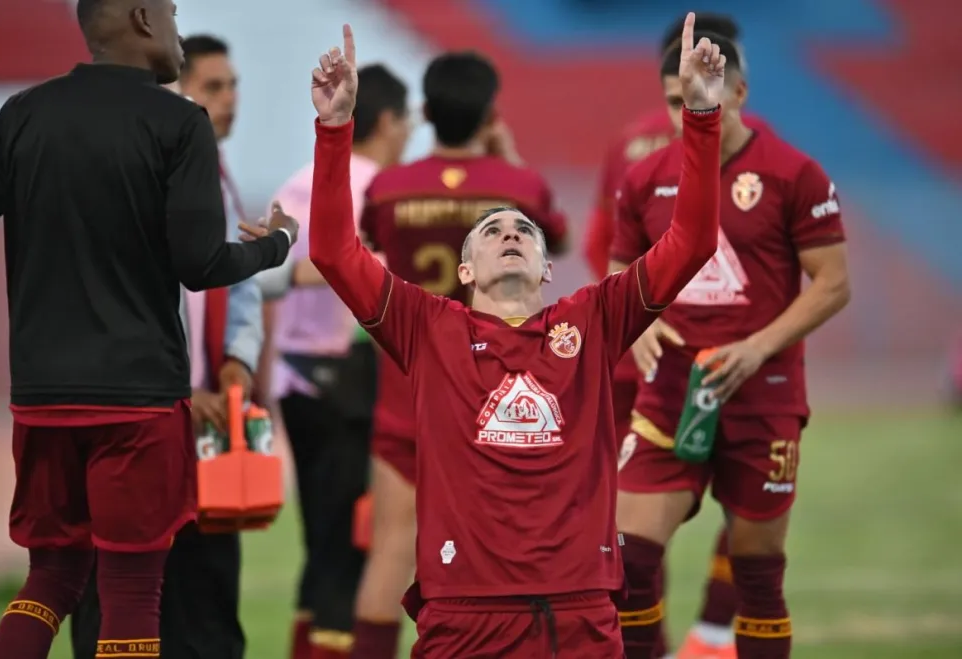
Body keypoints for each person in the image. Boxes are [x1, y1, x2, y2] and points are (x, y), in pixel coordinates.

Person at [245, 17, 723, 656]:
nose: (509, 232)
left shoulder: (593, 319)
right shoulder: (427, 327)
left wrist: (700, 117)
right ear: (465, 270)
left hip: (579, 610)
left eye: (522, 230)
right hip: (464, 617)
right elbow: (332, 250)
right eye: (492, 231)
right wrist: (335, 129)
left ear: (547, 265)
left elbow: (690, 243)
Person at [0, 0, 298, 657]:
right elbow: (201, 263)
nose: (178, 31)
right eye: (173, 16)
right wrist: (275, 245)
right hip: (138, 400)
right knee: (130, 590)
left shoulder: (22, 114)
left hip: (41, 399)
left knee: (50, 578)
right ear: (143, 18)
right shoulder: (180, 123)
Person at [609, 30, 850, 659]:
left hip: (761, 397)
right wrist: (636, 320)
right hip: (667, 396)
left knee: (758, 574)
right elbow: (618, 271)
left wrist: (757, 348)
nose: (686, 107)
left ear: (739, 91)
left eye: (704, 92)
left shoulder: (795, 173)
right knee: (627, 565)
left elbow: (833, 285)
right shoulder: (644, 179)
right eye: (672, 99)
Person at [346, 51, 569, 659]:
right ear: (491, 113)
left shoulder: (388, 187)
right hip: (494, 388)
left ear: (424, 113)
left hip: (409, 385)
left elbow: (368, 246)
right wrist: (510, 158)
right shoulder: (519, 188)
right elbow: (560, 239)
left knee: (392, 547)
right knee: (510, 548)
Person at [69, 33, 264, 659]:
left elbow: (239, 286)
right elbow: (120, 300)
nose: (229, 100)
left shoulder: (221, 179)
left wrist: (237, 359)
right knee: (120, 596)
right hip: (139, 417)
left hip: (200, 432)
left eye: (233, 86)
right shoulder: (137, 174)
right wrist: (183, 390)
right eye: (213, 87)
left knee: (205, 602)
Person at [585, 14, 767, 659]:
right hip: (646, 365)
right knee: (635, 525)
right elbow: (605, 249)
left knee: (753, 515)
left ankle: (715, 631)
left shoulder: (767, 160)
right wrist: (636, 317)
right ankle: (658, 642)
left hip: (741, 367)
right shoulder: (638, 152)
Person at [257, 63, 412, 659]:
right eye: (407, 122)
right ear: (390, 121)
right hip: (351, 375)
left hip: (297, 378)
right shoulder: (378, 188)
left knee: (321, 539)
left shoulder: (300, 183)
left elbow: (267, 273)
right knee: (350, 544)